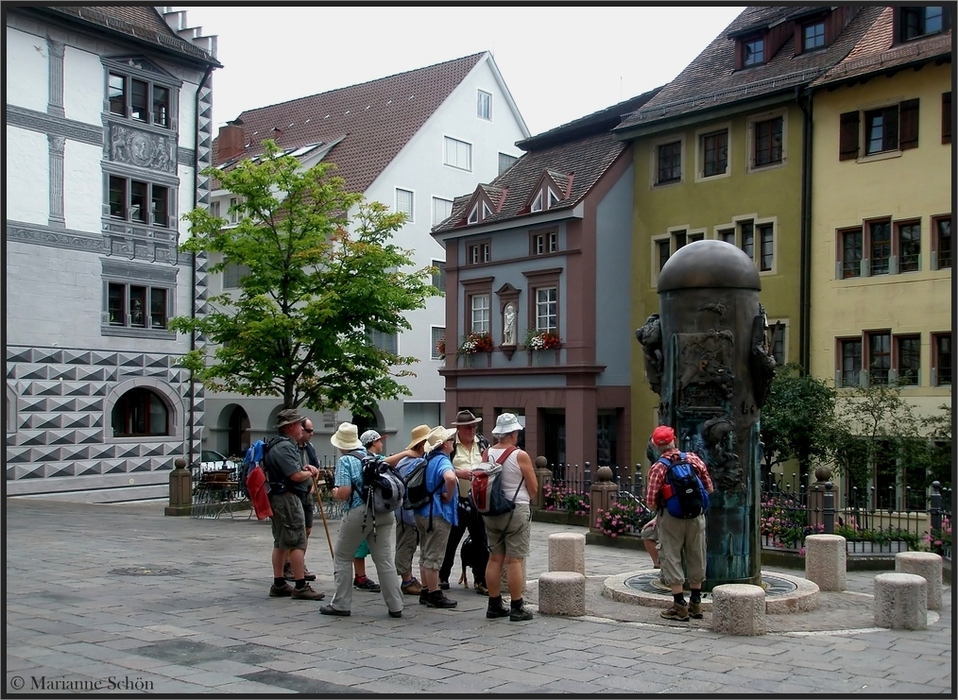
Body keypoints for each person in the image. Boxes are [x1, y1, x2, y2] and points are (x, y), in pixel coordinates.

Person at [321, 422, 403, 618]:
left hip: (360, 511)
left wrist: (334, 492)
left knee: (342, 556)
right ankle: (396, 605)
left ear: (341, 444)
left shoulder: (346, 461)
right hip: (384, 512)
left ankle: (341, 604)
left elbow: (344, 492)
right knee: (384, 560)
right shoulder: (373, 456)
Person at [645, 425, 714, 621]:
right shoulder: (693, 458)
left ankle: (679, 606)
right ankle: (696, 603)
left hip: (671, 518)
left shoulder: (659, 467)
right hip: (696, 517)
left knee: (671, 556)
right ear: (674, 440)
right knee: (696, 554)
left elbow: (651, 502)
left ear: (656, 446)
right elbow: (709, 488)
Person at [262, 409, 326, 601]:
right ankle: (300, 585)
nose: (301, 427)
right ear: (291, 427)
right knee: (297, 540)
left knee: (281, 541)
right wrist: (309, 472)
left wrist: (304, 470)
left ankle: (279, 583)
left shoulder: (277, 445)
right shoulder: (285, 447)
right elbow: (295, 475)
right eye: (299, 424)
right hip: (287, 498)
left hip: (279, 497)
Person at [482, 413, 538, 622]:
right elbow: (533, 488)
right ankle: (517, 606)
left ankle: (494, 604)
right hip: (515, 509)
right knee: (514, 560)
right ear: (513, 434)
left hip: (491, 510)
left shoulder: (486, 453)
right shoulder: (519, 455)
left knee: (495, 557)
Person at [438, 410, 491, 595]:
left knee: (481, 541)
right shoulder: (450, 444)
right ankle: (442, 576)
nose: (472, 430)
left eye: (474, 426)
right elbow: (439, 464)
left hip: (477, 500)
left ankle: (481, 579)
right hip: (456, 500)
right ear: (458, 428)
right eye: (468, 427)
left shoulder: (483, 443)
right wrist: (457, 473)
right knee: (450, 540)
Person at [414, 425, 459, 608]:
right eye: (451, 440)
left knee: (425, 553)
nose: (453, 443)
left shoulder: (427, 458)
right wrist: (449, 494)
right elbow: (449, 478)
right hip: (437, 513)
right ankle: (435, 593)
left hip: (422, 512)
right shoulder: (443, 461)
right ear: (445, 444)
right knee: (434, 556)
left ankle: (425, 590)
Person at [393, 425, 431, 595]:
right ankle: (407, 580)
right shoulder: (417, 462)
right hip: (410, 511)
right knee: (407, 545)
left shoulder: (403, 460)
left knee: (407, 544)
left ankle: (408, 578)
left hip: (403, 511)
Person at [281, 418, 320, 582]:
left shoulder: (309, 448)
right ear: (300, 430)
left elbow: (315, 467)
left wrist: (314, 484)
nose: (312, 434)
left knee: (307, 530)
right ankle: (289, 565)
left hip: (307, 492)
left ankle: (298, 563)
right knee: (293, 532)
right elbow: (294, 473)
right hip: (294, 493)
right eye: (309, 430)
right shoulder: (290, 448)